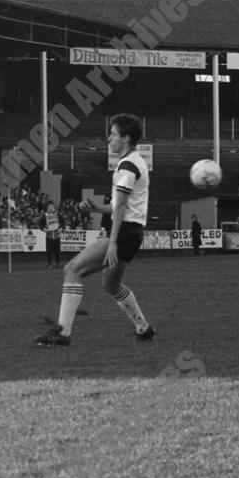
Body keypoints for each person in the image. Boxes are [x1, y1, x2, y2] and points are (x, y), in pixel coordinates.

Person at [35, 113, 154, 346]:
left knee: (72, 270)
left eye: (113, 134)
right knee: (111, 285)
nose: (109, 139)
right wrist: (97, 208)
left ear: (126, 138)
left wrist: (112, 242)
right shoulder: (134, 161)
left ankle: (63, 333)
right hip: (132, 232)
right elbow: (119, 205)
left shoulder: (128, 165)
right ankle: (144, 328)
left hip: (123, 232)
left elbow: (121, 209)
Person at [38, 202, 61, 269]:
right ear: (47, 207)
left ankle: (58, 263)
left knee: (57, 251)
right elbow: (41, 224)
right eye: (49, 206)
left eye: (52, 206)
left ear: (54, 207)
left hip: (57, 235)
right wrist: (44, 229)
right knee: (49, 251)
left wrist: (61, 228)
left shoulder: (58, 214)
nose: (51, 208)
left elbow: (63, 222)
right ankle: (49, 264)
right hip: (49, 236)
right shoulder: (45, 215)